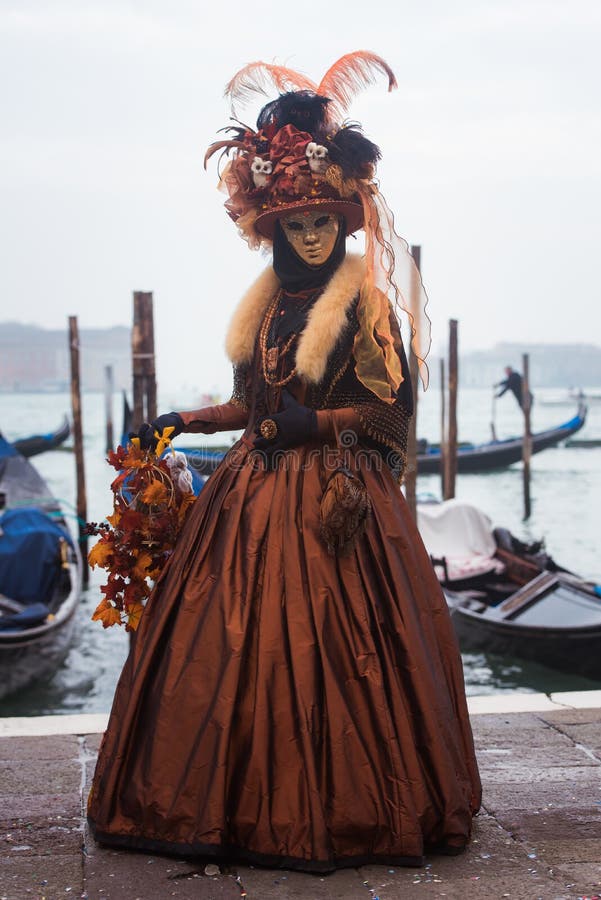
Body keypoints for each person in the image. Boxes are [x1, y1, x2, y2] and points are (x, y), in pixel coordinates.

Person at [87, 53, 481, 872]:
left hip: (339, 500)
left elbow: (389, 415)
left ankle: (346, 807)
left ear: (342, 223)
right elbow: (250, 410)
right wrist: (184, 418)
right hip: (249, 497)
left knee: (340, 654)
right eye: (294, 226)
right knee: (224, 646)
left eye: (321, 224)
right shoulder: (265, 312)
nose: (308, 236)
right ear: (272, 230)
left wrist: (317, 423)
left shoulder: (366, 308)